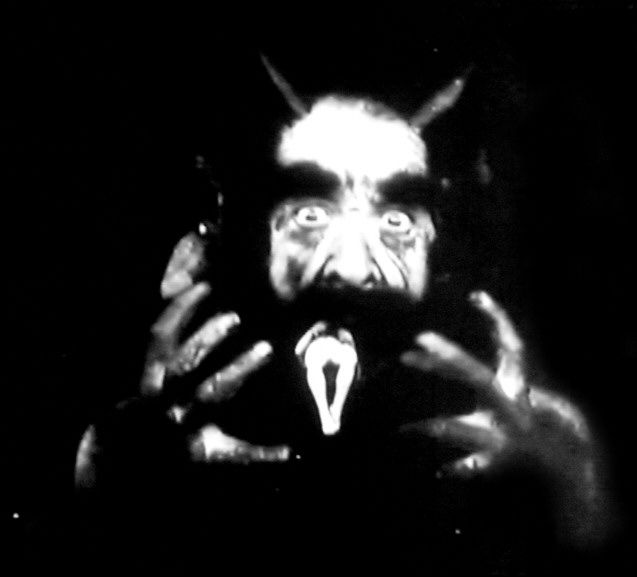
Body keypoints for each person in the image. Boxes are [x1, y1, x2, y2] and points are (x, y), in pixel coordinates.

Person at [73, 58, 615, 575]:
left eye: (397, 220)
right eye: (311, 215)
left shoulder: (519, 433)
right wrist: (116, 483)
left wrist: (569, 489)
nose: (353, 269)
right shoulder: (155, 430)